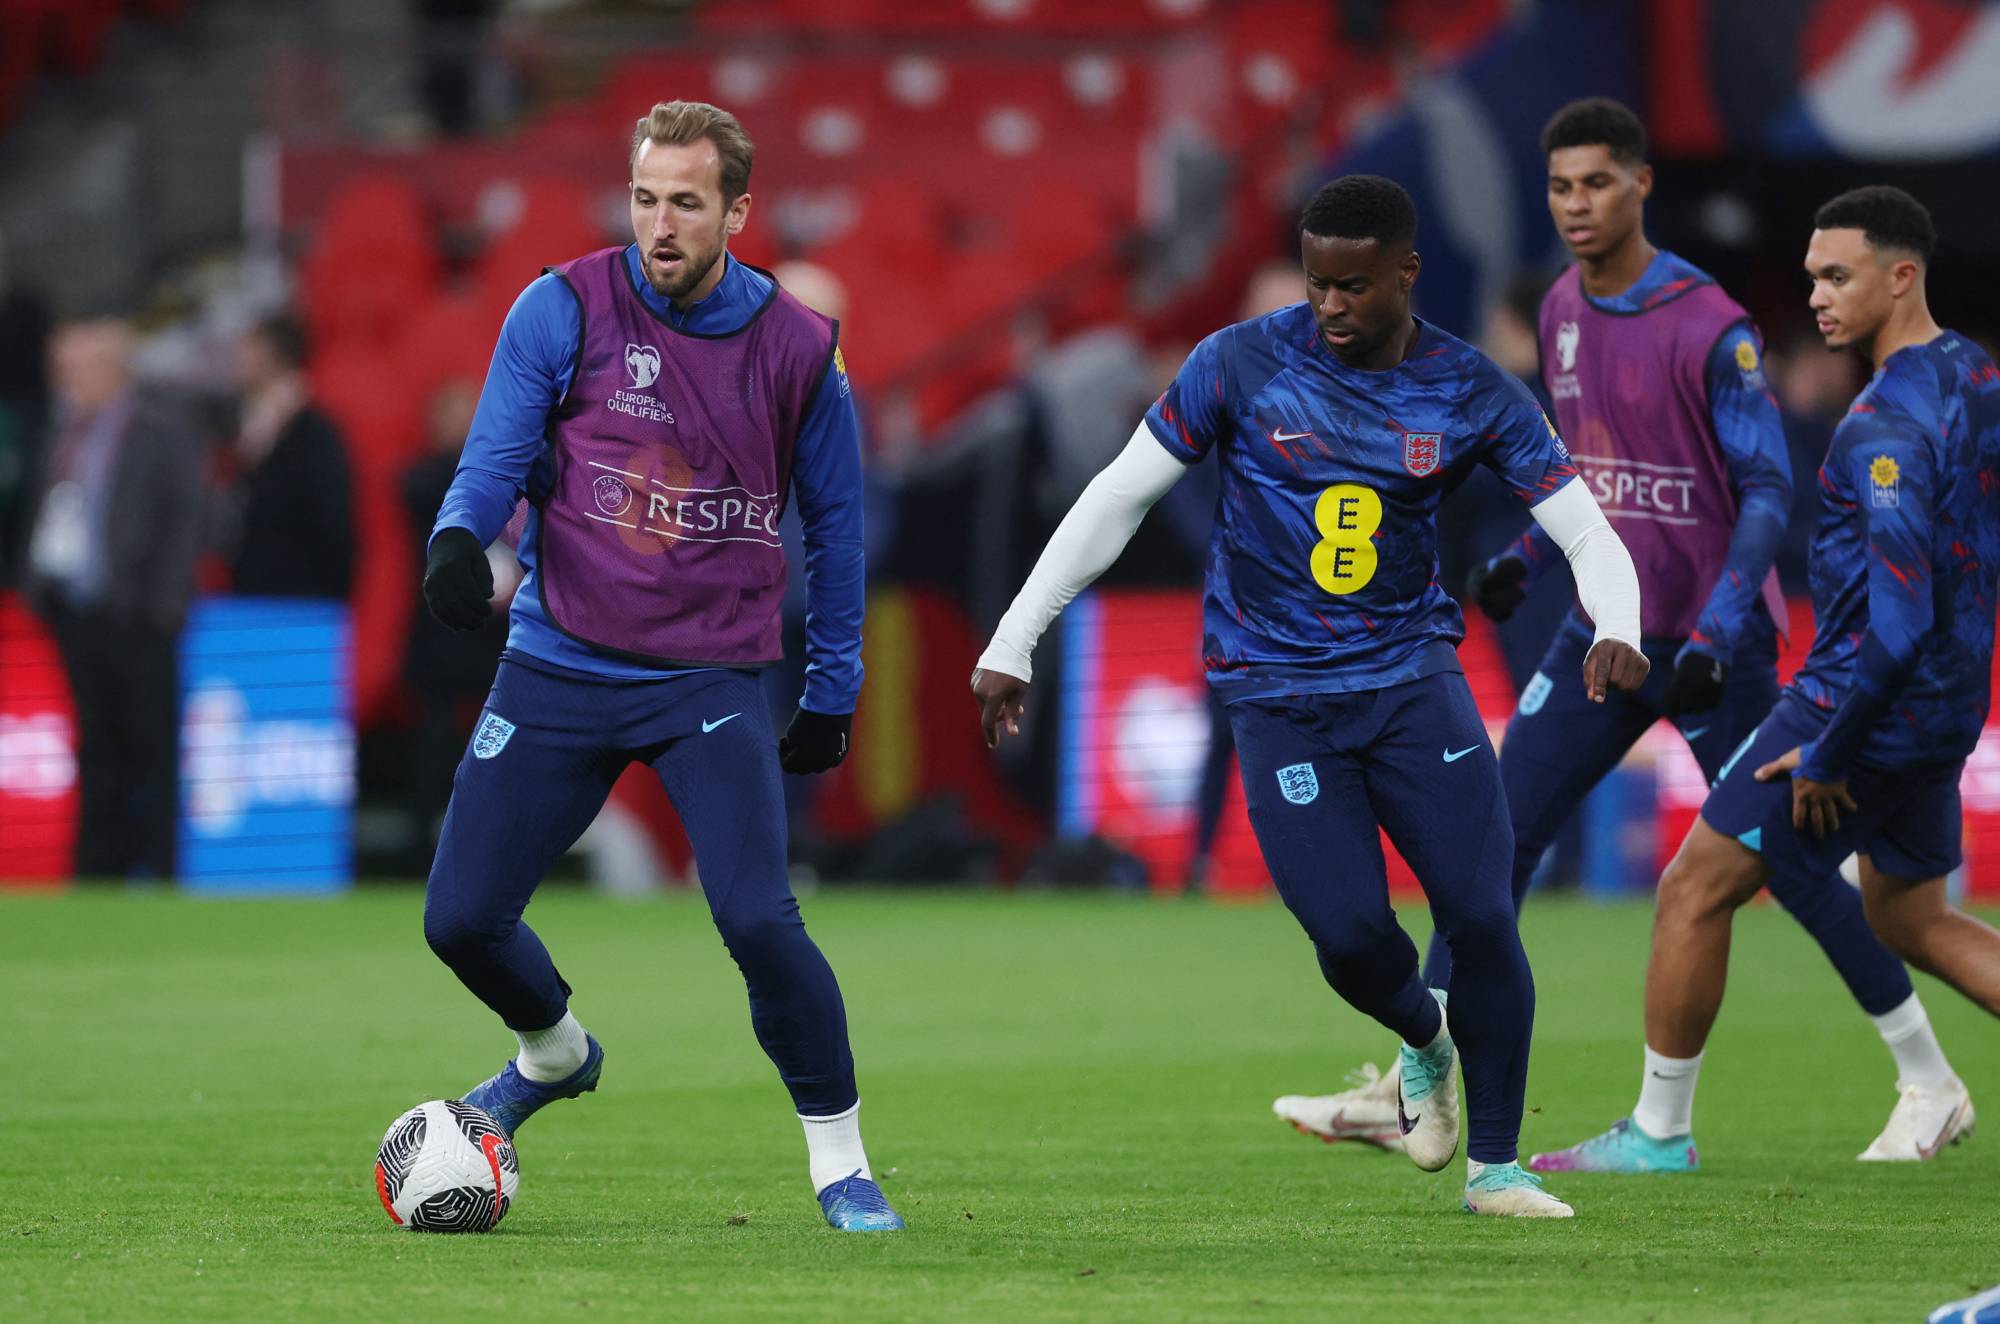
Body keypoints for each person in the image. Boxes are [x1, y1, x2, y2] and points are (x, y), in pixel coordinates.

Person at [1276, 98, 1950, 1165]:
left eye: (1596, 182)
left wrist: (1717, 633)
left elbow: (1766, 490)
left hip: (1708, 650)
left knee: (1782, 861)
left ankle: (1926, 1077)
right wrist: (1526, 557)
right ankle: (1416, 1085)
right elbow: (1584, 480)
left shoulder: (1709, 324)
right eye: (1559, 186)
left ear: (1640, 184)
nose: (1576, 204)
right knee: (1487, 846)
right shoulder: (1557, 308)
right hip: (1602, 640)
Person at [972, 175, 1649, 1218]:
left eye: (1354, 286)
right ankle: (1424, 1042)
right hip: (1278, 697)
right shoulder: (1237, 362)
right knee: (1346, 936)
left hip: (1412, 683)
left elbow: (1584, 526)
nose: (1330, 305)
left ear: (1406, 274)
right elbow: (1117, 495)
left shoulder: (1465, 387)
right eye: (1316, 282)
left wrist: (1618, 625)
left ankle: (1497, 1168)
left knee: (1480, 913)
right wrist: (1016, 635)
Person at [417, 100, 899, 1231]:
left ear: (738, 211)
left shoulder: (799, 349)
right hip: (558, 662)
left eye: (686, 202)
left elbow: (837, 532)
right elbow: (492, 458)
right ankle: (553, 1051)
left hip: (707, 682)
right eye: (644, 198)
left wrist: (832, 688)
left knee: (759, 922)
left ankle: (842, 1165)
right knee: (459, 920)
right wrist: (456, 539)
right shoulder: (561, 306)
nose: (661, 224)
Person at [1533, 186, 1995, 1174]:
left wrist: (1827, 752)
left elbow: (1898, 622)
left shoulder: (1878, 427)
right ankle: (1931, 1089)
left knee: (1692, 886)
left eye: (1836, 277)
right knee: (1908, 915)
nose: (1815, 297)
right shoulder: (1976, 373)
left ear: (1899, 276)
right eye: (1811, 277)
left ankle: (1657, 1134)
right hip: (1951, 702)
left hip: (1857, 703)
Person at [22, 318, 205, 878]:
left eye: (75, 369)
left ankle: (163, 868)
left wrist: (167, 600)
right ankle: (98, 869)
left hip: (140, 613)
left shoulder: (159, 430)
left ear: (111, 370)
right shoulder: (62, 432)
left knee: (152, 743)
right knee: (96, 745)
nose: (65, 381)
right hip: (78, 611)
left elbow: (189, 515)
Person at [224, 312, 355, 599]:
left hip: (301, 598)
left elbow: (331, 521)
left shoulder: (312, 431)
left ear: (271, 355)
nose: (236, 355)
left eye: (248, 346)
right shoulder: (249, 428)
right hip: (253, 594)